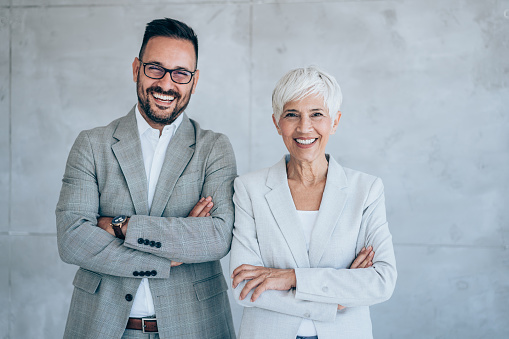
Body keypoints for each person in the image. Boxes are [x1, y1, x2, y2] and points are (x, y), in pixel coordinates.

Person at [56, 18, 237, 339]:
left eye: (181, 73)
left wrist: (120, 225)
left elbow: (216, 237)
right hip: (103, 326)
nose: (167, 84)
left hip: (194, 326)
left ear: (194, 82)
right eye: (156, 68)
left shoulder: (214, 147)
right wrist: (169, 257)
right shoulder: (92, 144)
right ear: (136, 68)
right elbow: (73, 240)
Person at [230, 66, 397, 339]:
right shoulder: (249, 189)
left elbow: (381, 281)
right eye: (291, 114)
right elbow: (244, 288)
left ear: (335, 121)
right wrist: (337, 300)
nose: (304, 127)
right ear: (276, 122)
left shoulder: (366, 190)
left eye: (317, 114)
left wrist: (291, 278)